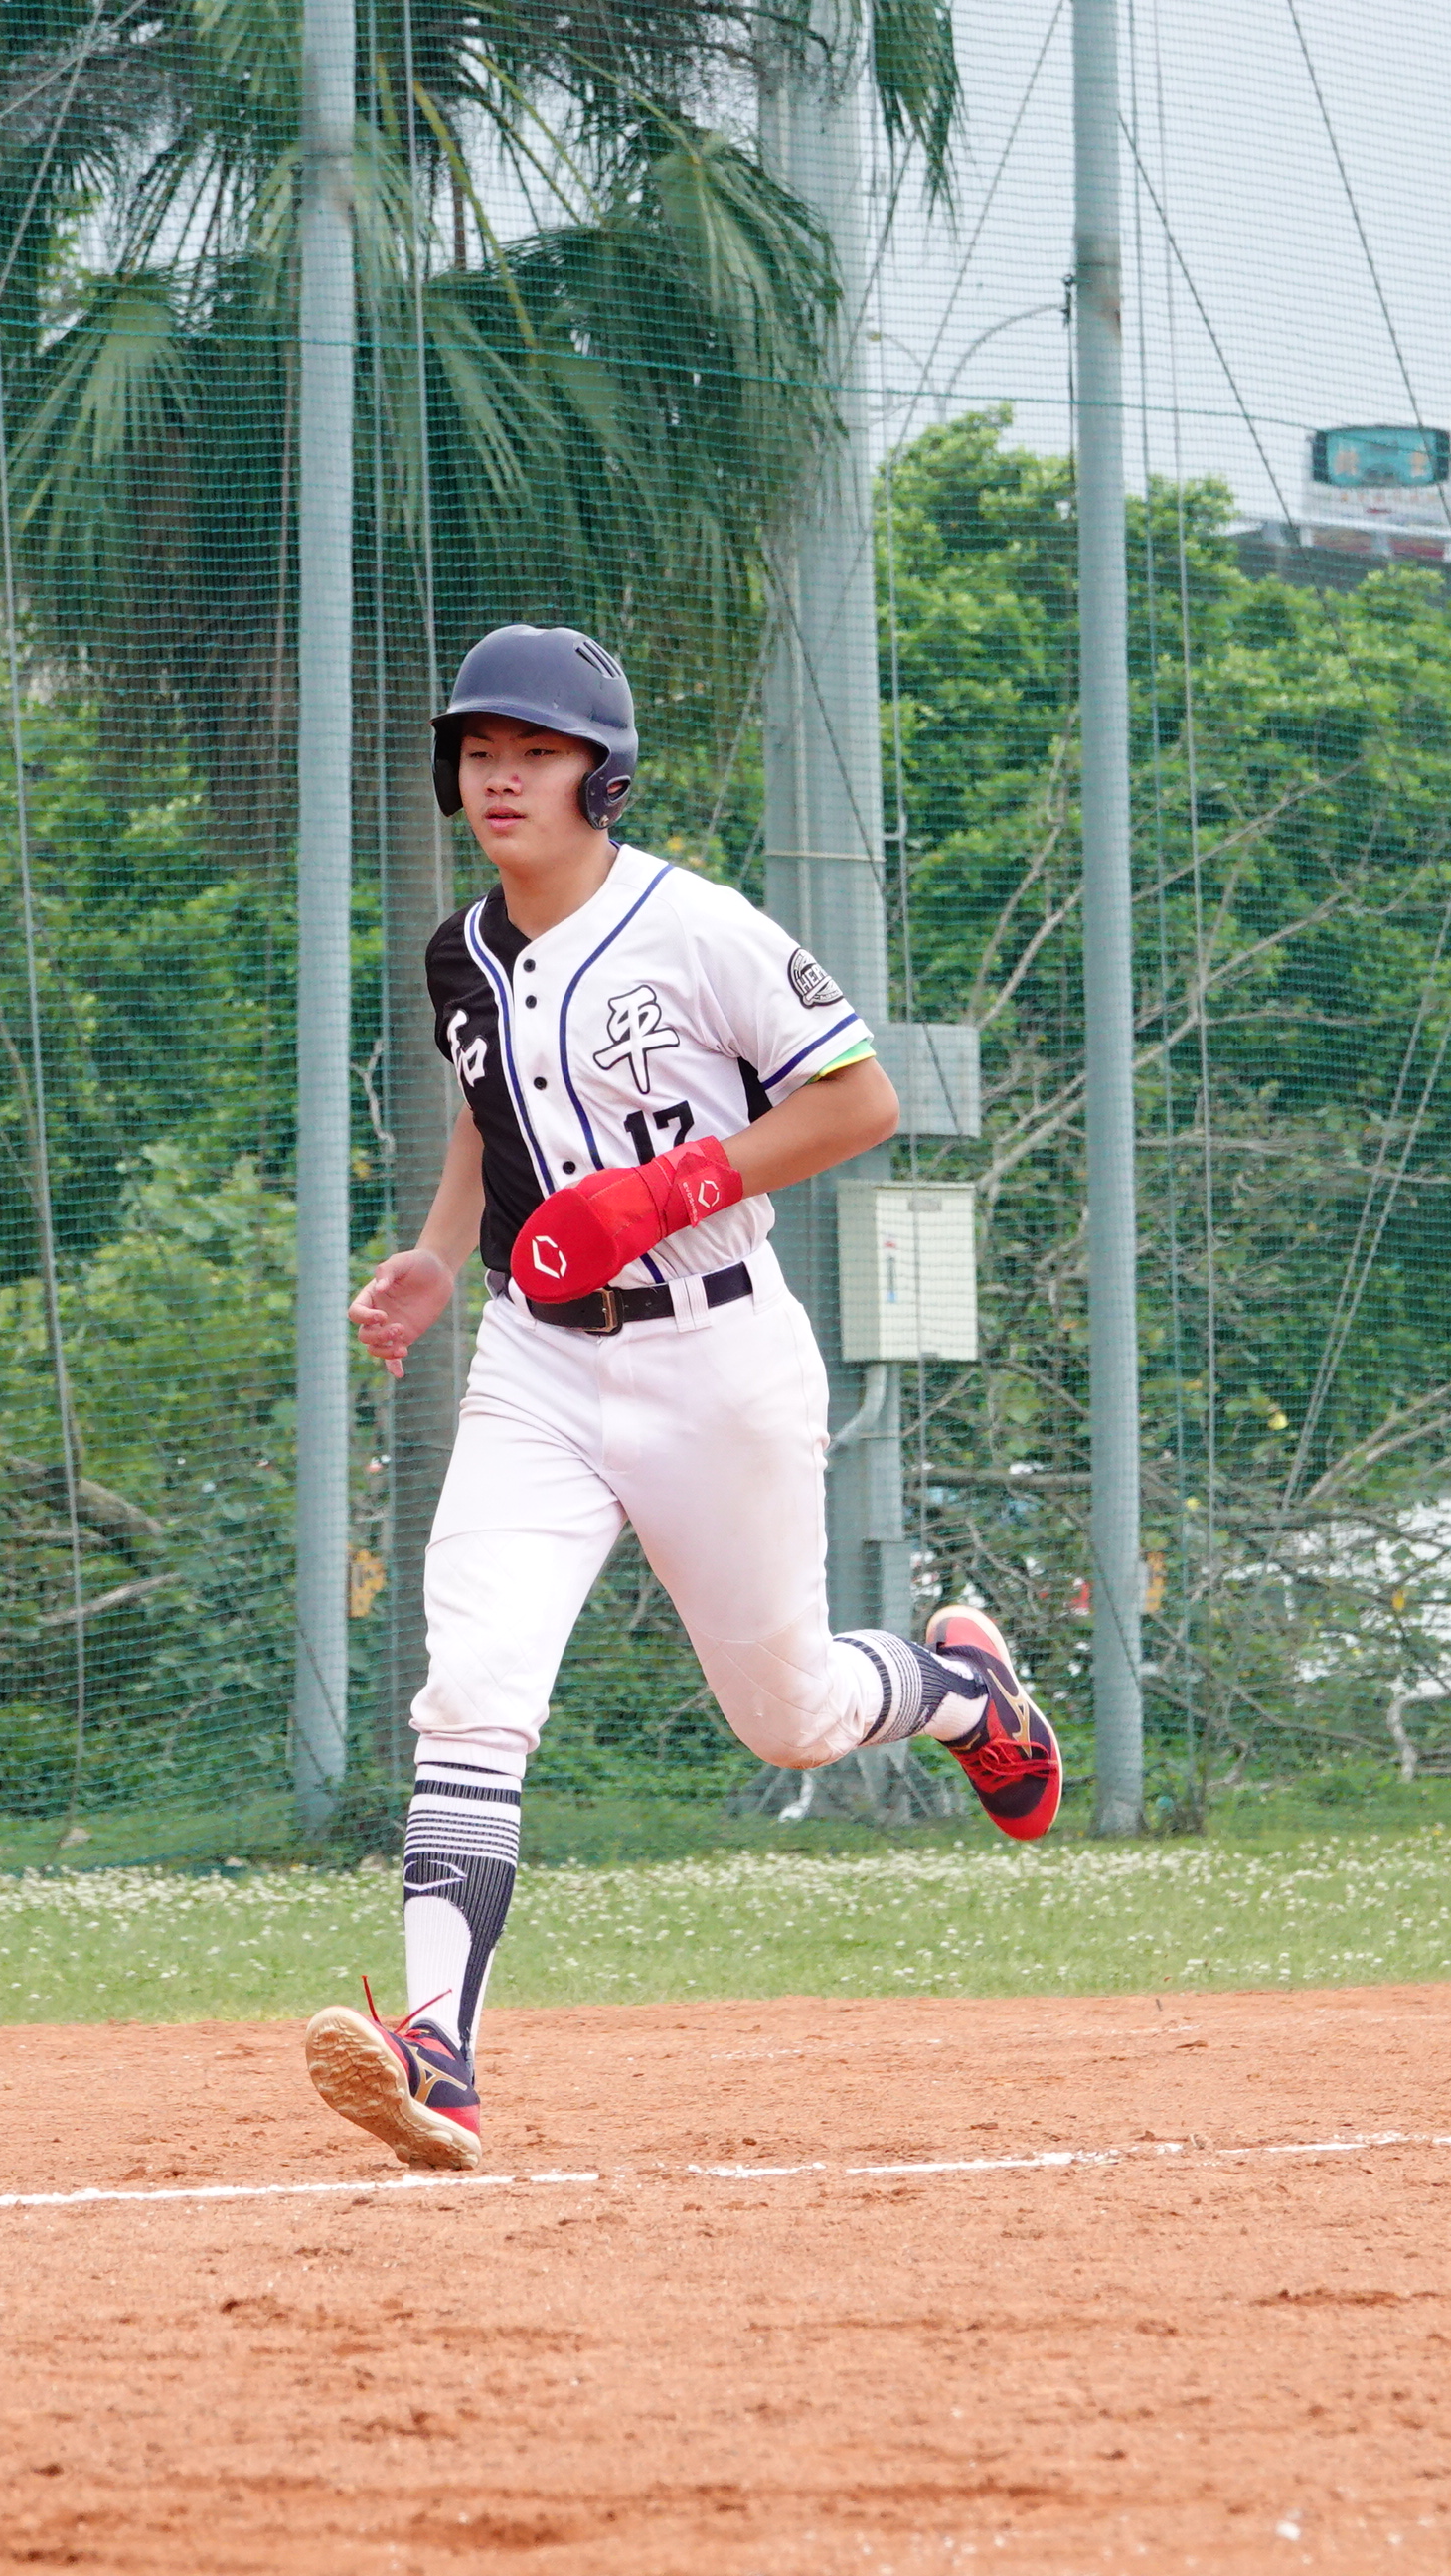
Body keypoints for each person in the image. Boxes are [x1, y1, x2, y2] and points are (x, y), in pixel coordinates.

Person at [303, 624, 1062, 2171]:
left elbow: (861, 1099)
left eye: (537, 753)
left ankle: (965, 1695)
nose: (501, 777)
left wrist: (667, 1191)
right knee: (475, 1684)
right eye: (479, 752)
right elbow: (488, 1118)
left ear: (604, 777)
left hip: (717, 1355)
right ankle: (438, 2054)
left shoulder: (698, 928)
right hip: (535, 1359)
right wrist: (441, 1258)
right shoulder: (461, 954)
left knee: (789, 1720)